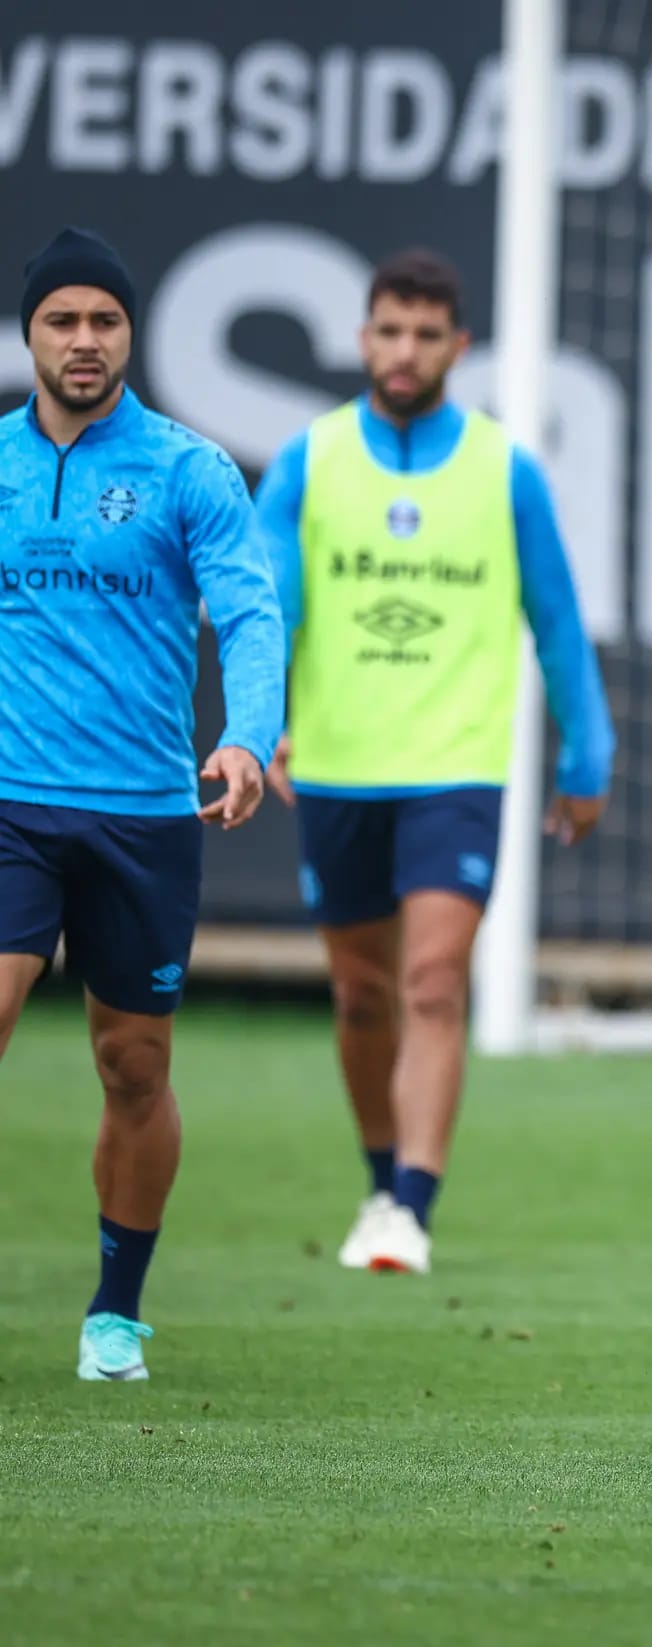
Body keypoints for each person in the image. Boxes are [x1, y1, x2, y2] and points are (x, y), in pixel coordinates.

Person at [254, 249, 614, 1276]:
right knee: (362, 994)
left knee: (432, 979)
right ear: (362, 337)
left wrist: (586, 757)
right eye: (387, 330)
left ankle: (411, 1201)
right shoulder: (308, 462)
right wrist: (259, 716)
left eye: (425, 334)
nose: (403, 351)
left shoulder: (506, 471)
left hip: (456, 770)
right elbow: (267, 611)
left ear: (457, 347)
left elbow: (556, 624)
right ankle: (379, 1179)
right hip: (332, 767)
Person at [0, 227, 286, 1380]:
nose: (83, 340)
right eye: (62, 320)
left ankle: (116, 1310)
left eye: (103, 321)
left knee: (134, 1069)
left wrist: (248, 740)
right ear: (30, 333)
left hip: (142, 817)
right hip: (12, 802)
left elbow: (253, 616)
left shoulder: (187, 469)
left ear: (131, 335)